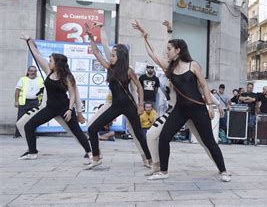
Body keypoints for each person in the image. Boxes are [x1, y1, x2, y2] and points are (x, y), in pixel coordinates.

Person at [132, 20, 231, 182]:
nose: (167, 52)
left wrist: (210, 106)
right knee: (164, 137)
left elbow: (204, 85)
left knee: (209, 141)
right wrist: (145, 36)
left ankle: (223, 171)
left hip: (198, 108)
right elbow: (153, 54)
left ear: (178, 50)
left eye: (169, 49)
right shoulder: (169, 68)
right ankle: (163, 171)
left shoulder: (193, 65)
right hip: (180, 109)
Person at [85, 22, 152, 169]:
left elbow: (139, 87)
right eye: (111, 55)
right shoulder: (109, 67)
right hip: (115, 105)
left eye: (114, 55)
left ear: (120, 56)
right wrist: (91, 37)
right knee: (92, 128)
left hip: (129, 106)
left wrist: (140, 105)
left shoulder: (128, 70)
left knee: (139, 134)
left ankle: (149, 159)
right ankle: (96, 157)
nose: (111, 57)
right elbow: (96, 52)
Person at [16, 35, 91, 160]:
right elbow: (37, 55)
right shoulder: (48, 70)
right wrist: (29, 41)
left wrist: (70, 109)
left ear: (57, 63)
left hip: (64, 108)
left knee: (76, 131)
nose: (49, 62)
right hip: (50, 108)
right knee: (29, 125)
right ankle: (32, 152)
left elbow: (72, 95)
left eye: (51, 60)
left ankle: (90, 152)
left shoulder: (68, 77)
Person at [14, 66, 43, 138]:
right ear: (28, 72)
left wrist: (42, 102)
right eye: (31, 71)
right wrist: (16, 101)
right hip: (24, 102)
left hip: (35, 102)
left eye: (34, 71)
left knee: (34, 119)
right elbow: (17, 90)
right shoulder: (23, 79)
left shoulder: (40, 80)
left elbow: (43, 91)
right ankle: (18, 134)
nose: (33, 72)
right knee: (20, 118)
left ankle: (33, 134)